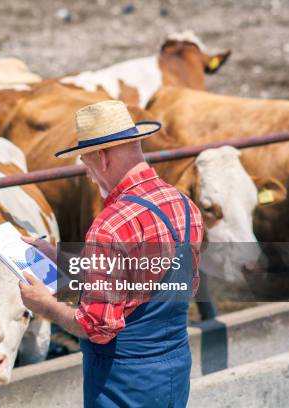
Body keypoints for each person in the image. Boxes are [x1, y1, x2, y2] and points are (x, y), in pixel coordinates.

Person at [19, 100, 204, 407]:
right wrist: (61, 259)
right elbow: (167, 282)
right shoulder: (183, 204)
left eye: (85, 161)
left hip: (124, 379)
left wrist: (45, 305)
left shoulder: (110, 225)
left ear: (102, 157)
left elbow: (97, 327)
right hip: (174, 367)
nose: (88, 173)